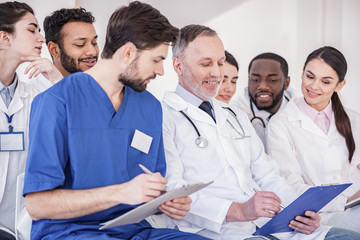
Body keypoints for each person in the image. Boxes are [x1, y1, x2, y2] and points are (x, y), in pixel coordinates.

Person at [23, 2, 210, 240]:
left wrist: (167, 201)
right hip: (70, 231)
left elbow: (152, 184)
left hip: (134, 230)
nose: (161, 71)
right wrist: (121, 193)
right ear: (129, 52)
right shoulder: (56, 101)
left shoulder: (150, 107)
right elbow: (37, 205)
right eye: (156, 60)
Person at [161, 24, 360, 240]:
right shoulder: (164, 118)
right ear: (178, 66)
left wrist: (299, 212)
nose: (217, 73)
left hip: (272, 225)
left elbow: (268, 175)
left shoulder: (234, 115)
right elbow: (174, 195)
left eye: (220, 63)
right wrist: (238, 210)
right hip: (219, 231)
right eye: (206, 64)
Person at [266, 46, 360, 233]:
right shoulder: (280, 124)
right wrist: (346, 200)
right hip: (320, 214)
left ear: (339, 85)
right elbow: (289, 185)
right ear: (302, 74)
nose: (314, 86)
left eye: (326, 82)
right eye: (310, 76)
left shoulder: (354, 119)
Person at [0, 2, 63, 239]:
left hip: (20, 225)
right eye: (32, 29)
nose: (41, 38)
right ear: (4, 38)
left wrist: (57, 79)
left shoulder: (37, 95)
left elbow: (79, 128)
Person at [231, 52, 295, 145]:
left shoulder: (300, 110)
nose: (262, 86)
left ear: (286, 83)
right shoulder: (235, 113)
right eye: (255, 80)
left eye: (272, 80)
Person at [43, 7, 99, 77]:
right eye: (80, 44)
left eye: (94, 43)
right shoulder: (37, 88)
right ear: (54, 50)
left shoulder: (101, 84)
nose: (92, 52)